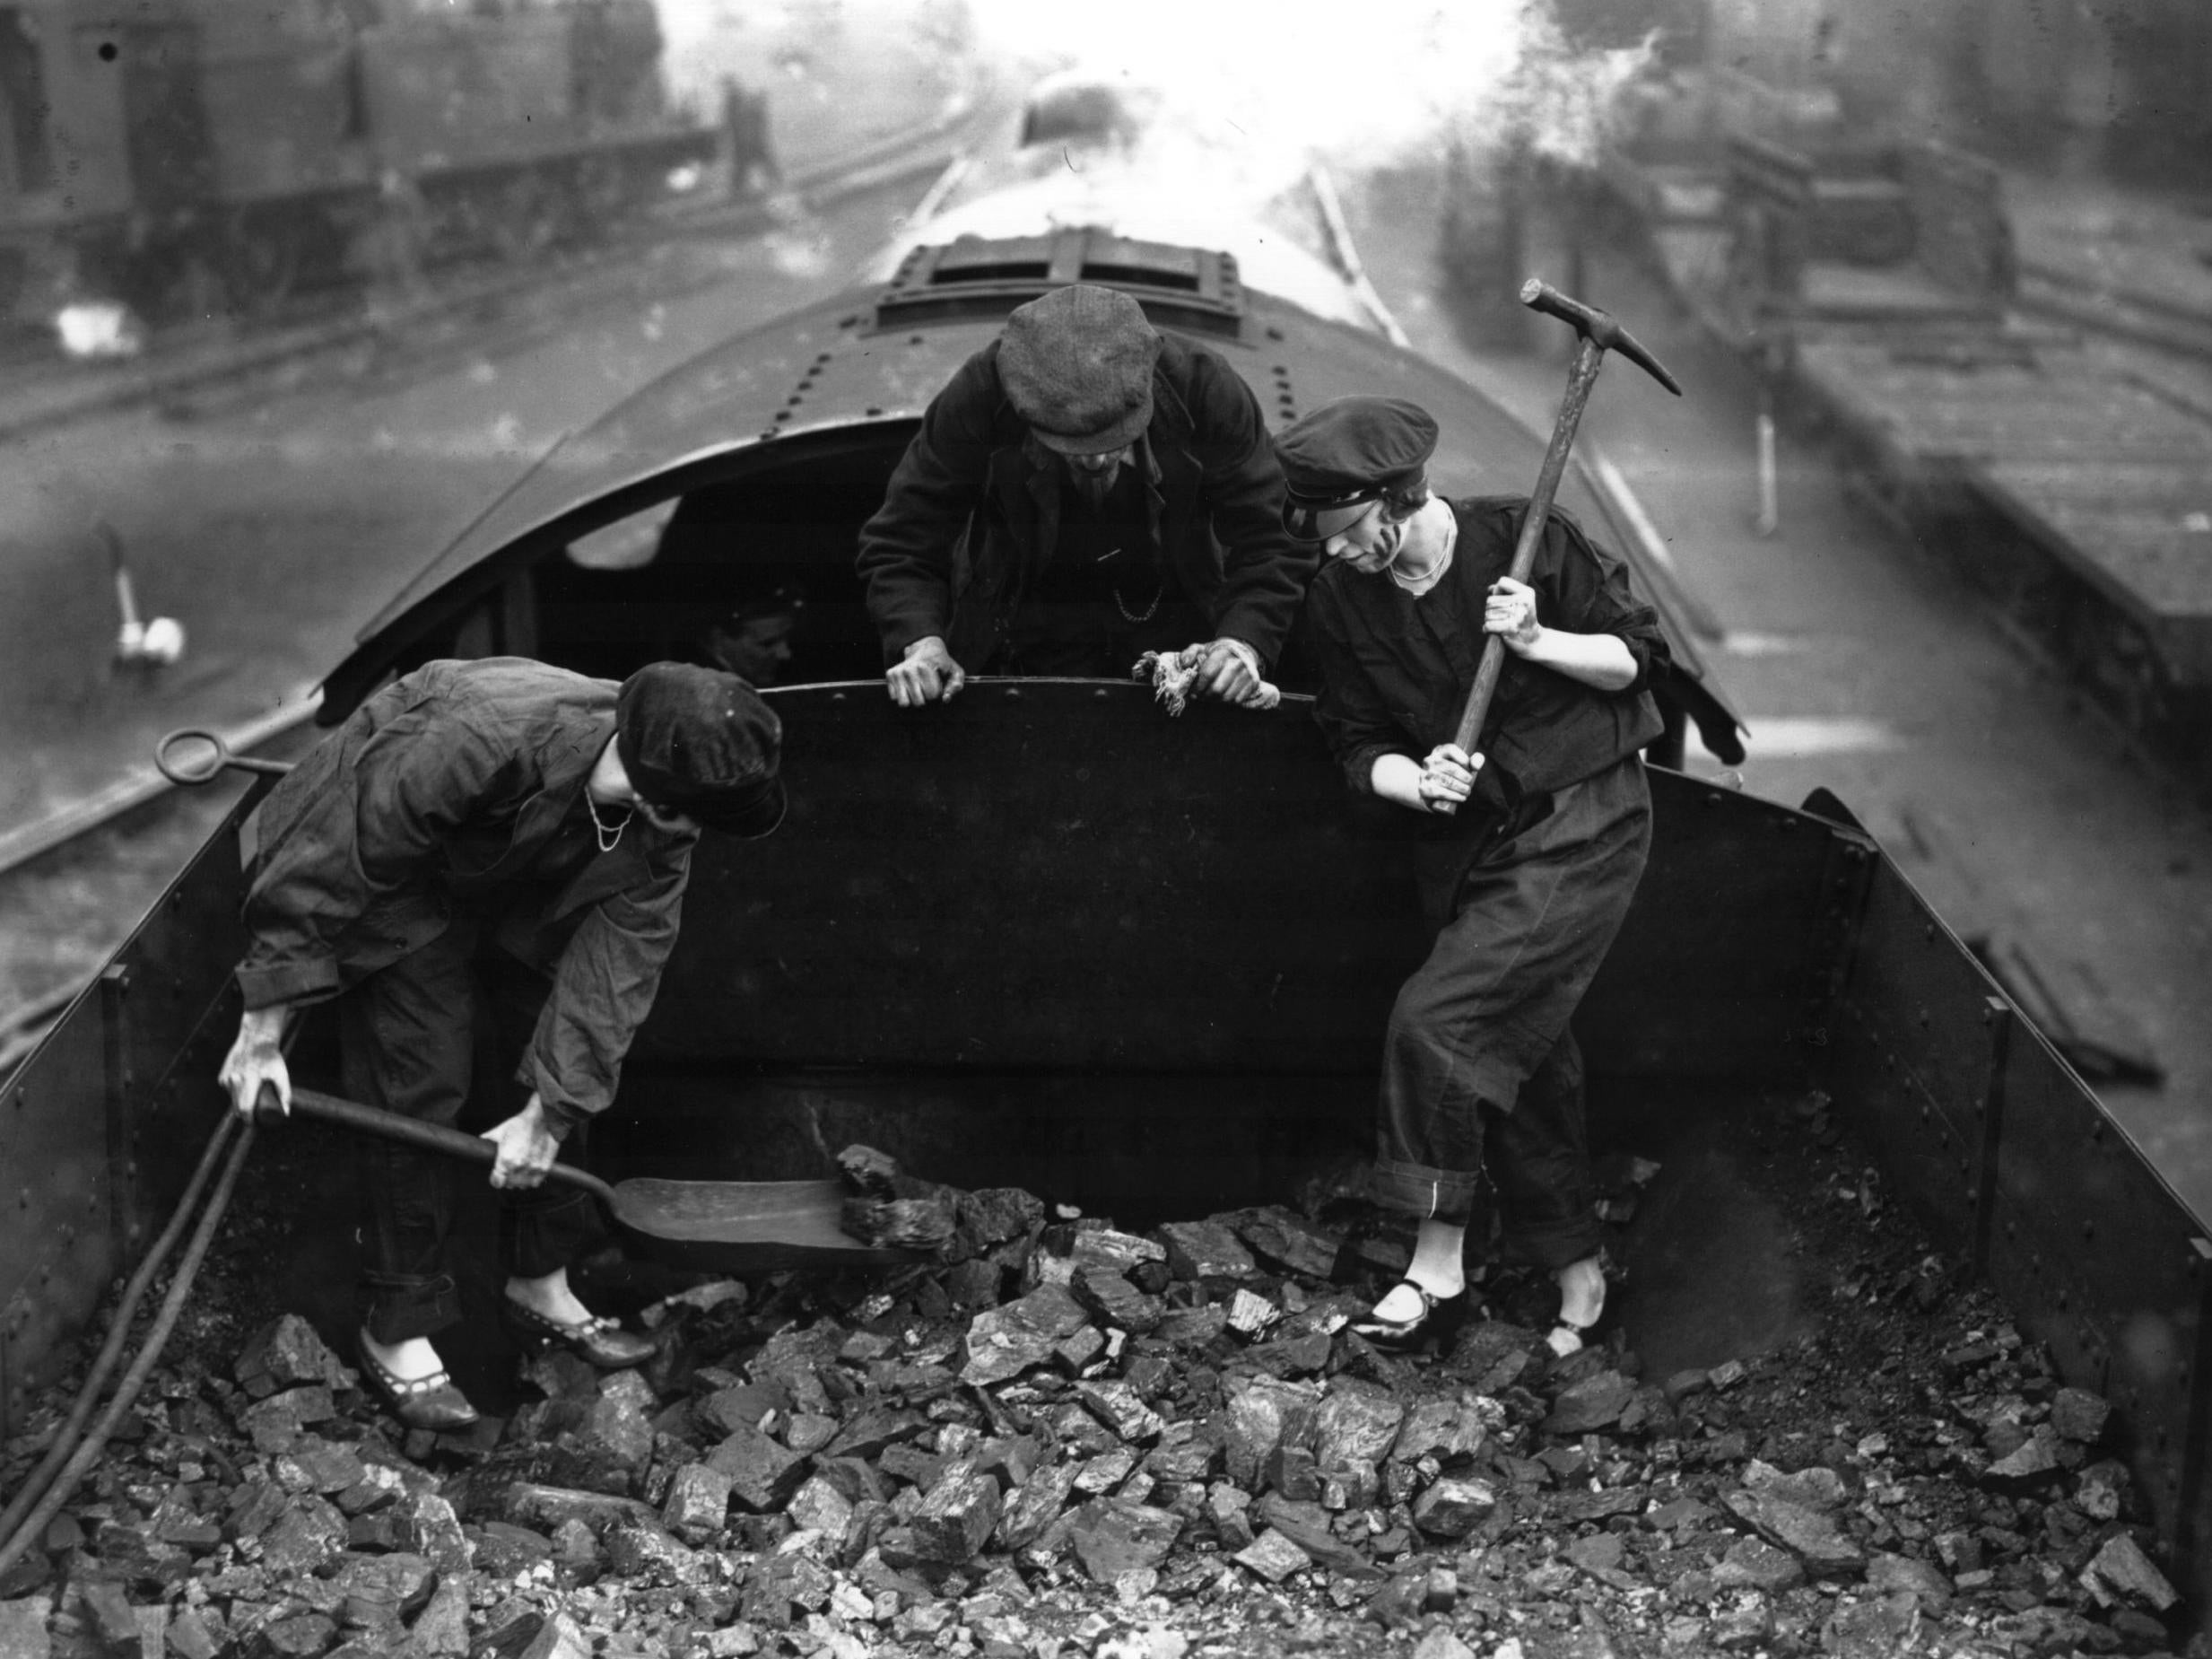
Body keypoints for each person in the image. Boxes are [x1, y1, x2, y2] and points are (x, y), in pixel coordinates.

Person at [219, 658, 786, 1429]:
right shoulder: (473, 733)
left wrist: (549, 1113)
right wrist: (263, 1030)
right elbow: (330, 861)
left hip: (514, 865)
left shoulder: (667, 821)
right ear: (657, 793)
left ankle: (539, 1279)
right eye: (695, 819)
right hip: (391, 877)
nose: (698, 837)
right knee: (422, 1070)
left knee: (570, 1054)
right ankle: (399, 1321)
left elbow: (614, 977)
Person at [1279, 396, 1671, 1357]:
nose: (1338, 555)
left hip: (1584, 816)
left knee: (1441, 1022)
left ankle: (1436, 1264)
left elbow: (1636, 662)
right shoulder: (1338, 599)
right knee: (1516, 1043)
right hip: (1472, 841)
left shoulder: (1524, 541)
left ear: (1399, 498)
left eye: (1350, 533)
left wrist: (1537, 639)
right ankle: (1576, 1259)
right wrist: (1416, 779)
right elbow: (1354, 738)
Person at [856, 283, 1314, 708]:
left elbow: (1274, 538)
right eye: (1071, 447)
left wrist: (1242, 642)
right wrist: (922, 641)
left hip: (1177, 615)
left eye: (1112, 441)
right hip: (1025, 615)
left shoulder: (1205, 388)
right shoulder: (979, 393)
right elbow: (903, 538)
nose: (1094, 462)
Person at [705, 585, 806, 686]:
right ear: (718, 640)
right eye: (767, 643)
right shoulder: (704, 694)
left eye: (787, 639)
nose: (785, 655)